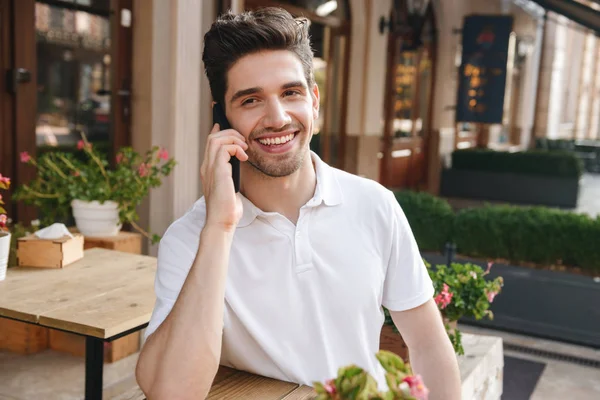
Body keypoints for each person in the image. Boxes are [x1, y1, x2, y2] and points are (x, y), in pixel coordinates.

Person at [136, 7, 461, 399]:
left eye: (291, 93)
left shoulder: (375, 205)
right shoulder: (192, 238)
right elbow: (171, 393)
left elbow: (427, 344)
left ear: (314, 102)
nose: (277, 118)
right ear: (221, 121)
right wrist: (220, 227)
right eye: (251, 100)